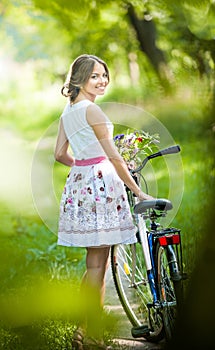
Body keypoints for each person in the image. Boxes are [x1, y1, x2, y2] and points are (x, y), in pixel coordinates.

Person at [54, 54, 153, 349]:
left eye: (104, 75)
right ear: (80, 79)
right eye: (95, 76)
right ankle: (90, 333)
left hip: (81, 183)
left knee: (94, 263)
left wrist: (83, 165)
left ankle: (85, 329)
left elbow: (59, 154)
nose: (102, 81)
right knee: (98, 264)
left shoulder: (68, 111)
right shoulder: (91, 111)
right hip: (100, 185)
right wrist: (137, 190)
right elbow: (113, 156)